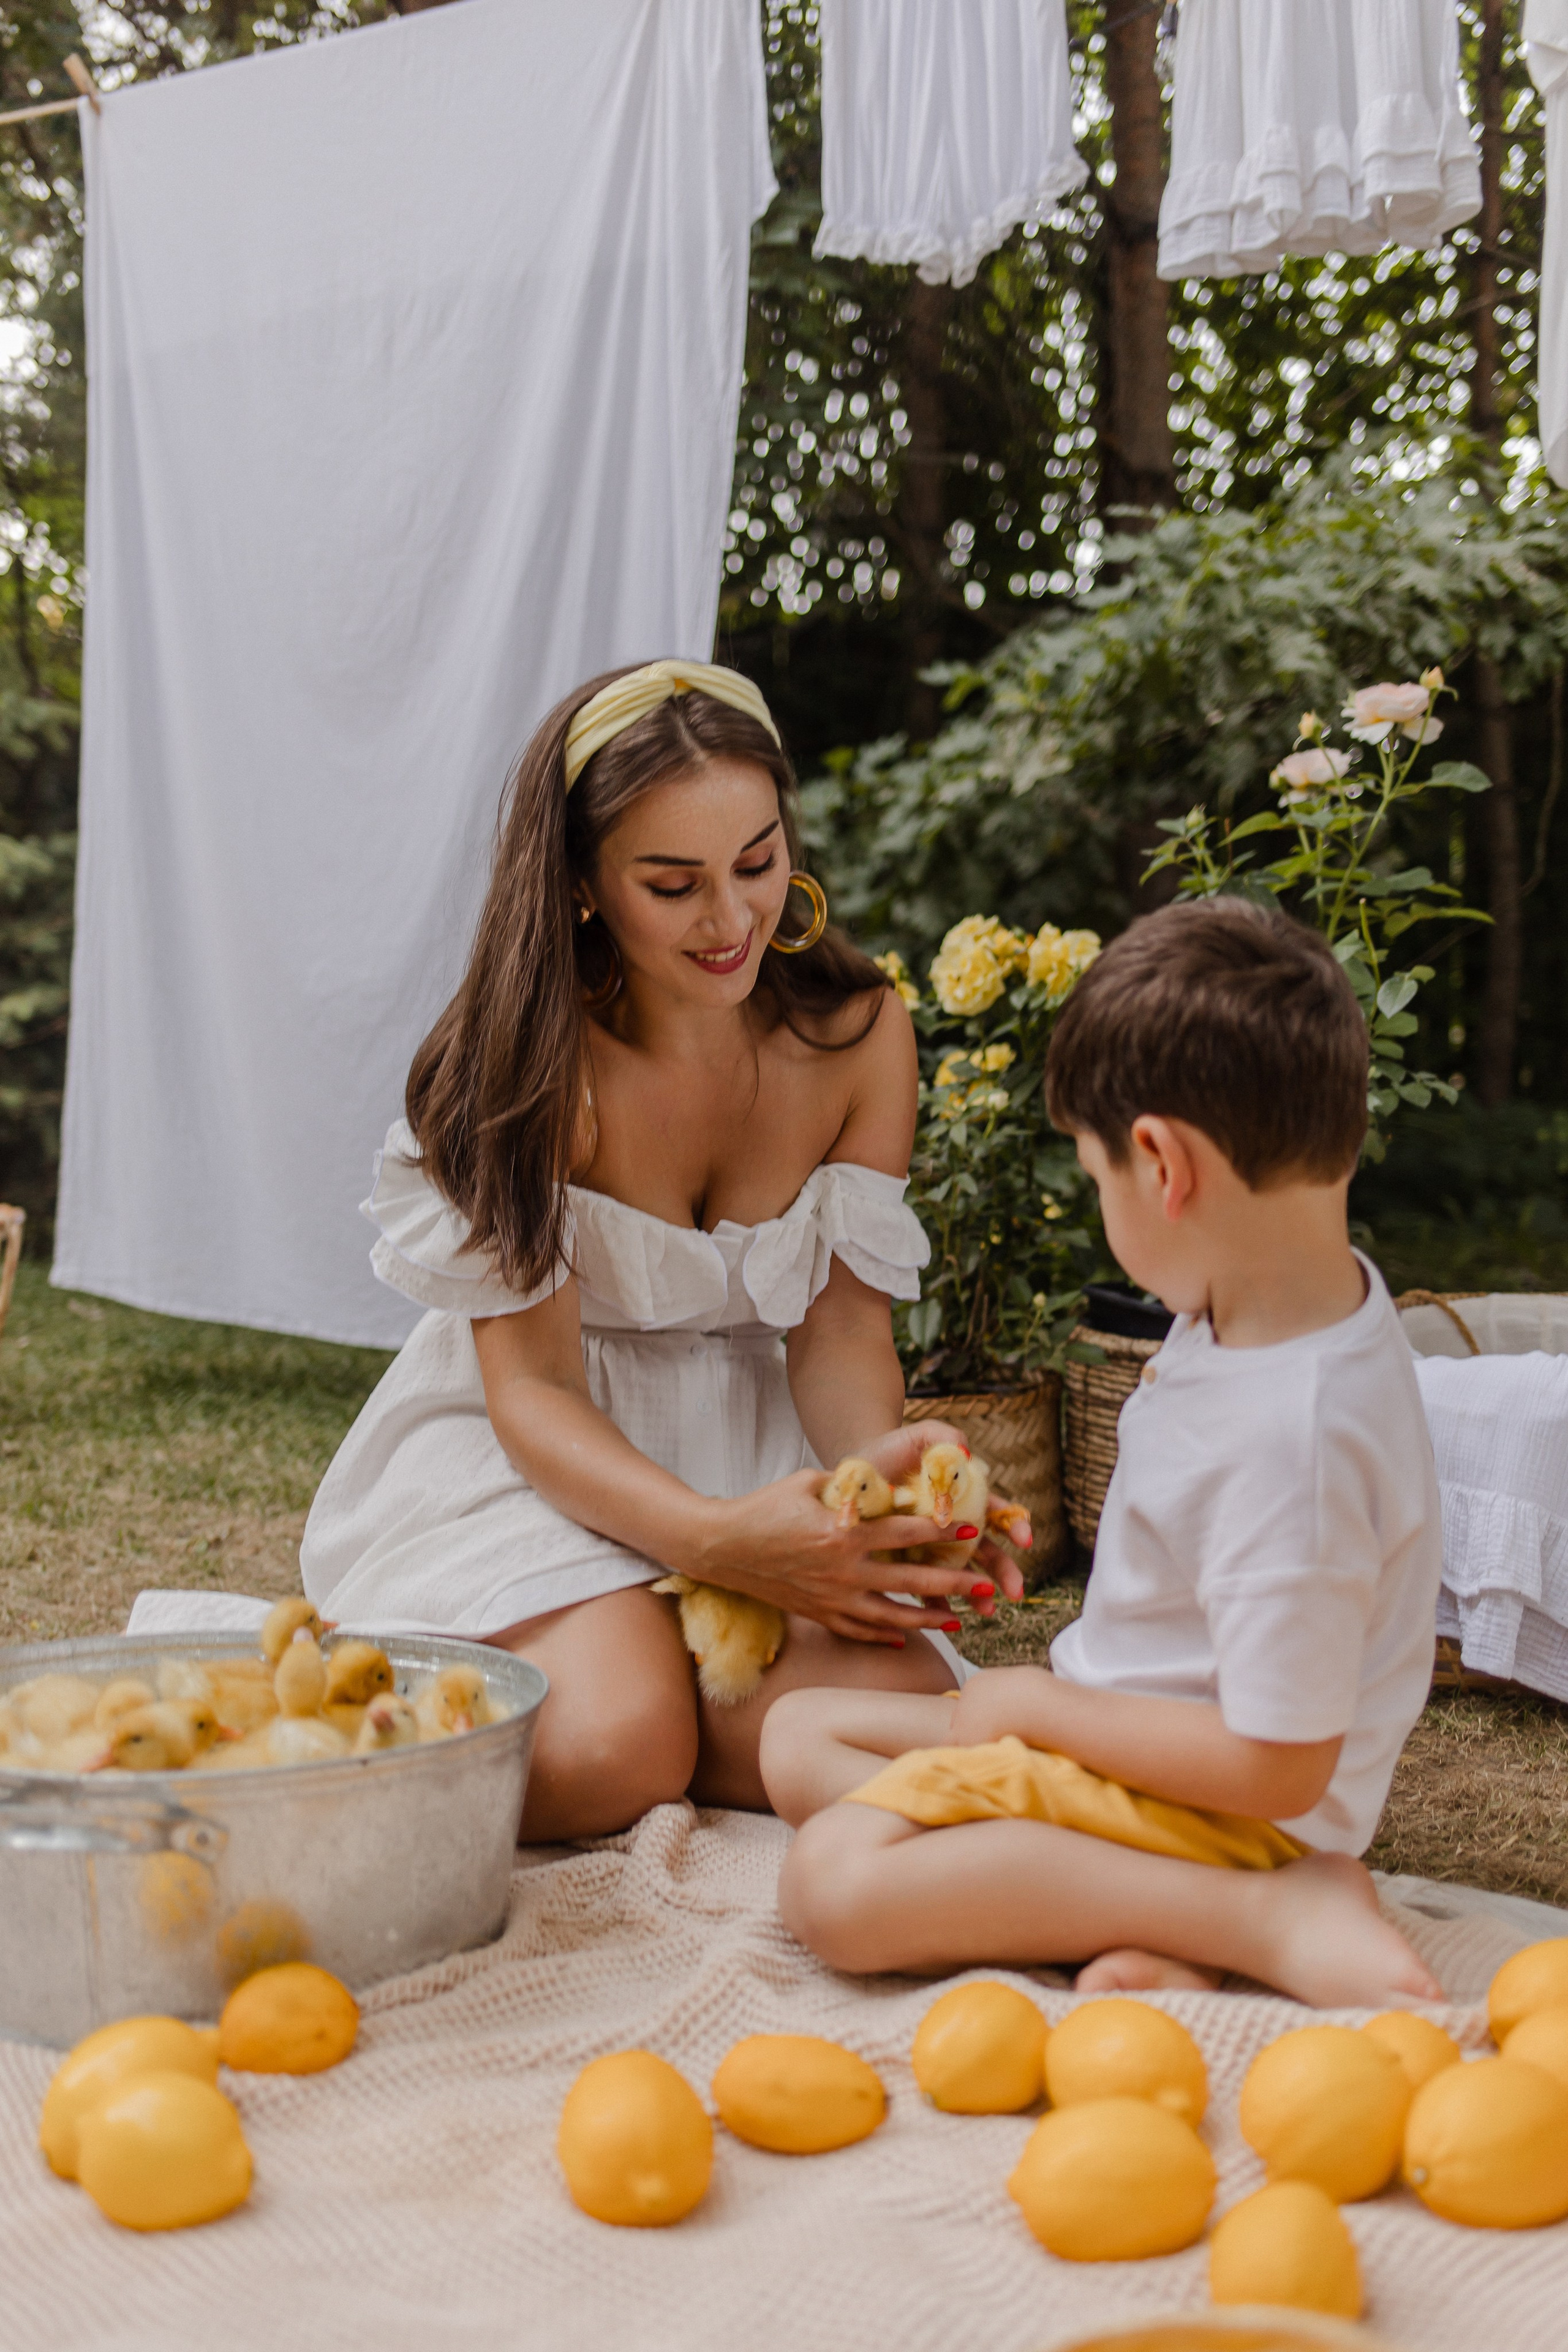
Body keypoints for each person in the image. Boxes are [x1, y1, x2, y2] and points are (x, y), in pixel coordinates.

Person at [301, 660, 1025, 1840]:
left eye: (758, 862)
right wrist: (715, 1543)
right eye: (674, 885)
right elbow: (531, 1391)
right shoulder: (534, 1068)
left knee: (904, 1719)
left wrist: (875, 1477)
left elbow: (840, 1331)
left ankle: (643, 1679)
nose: (735, 920)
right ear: (585, 885)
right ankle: (335, 1741)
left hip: (747, 1449)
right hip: (542, 1456)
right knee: (612, 1751)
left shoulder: (857, 1035)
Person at [761, 897, 1447, 2010]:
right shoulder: (1266, 1300)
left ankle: (1261, 1914)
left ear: (1162, 1167)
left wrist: (1035, 1711)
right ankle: (1140, 1914)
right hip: (1130, 1750)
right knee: (798, 1735)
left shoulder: (1296, 1445)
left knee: (831, 1885)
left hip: (1226, 1810)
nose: (1101, 1208)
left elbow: (1285, 1765)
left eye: (1094, 1179)